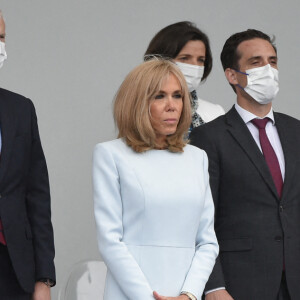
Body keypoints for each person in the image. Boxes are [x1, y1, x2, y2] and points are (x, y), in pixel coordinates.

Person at [93, 59, 218, 300]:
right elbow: (110, 242)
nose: (172, 106)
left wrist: (189, 294)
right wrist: (148, 297)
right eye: (159, 96)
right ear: (137, 103)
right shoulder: (110, 154)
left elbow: (207, 242)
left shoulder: (197, 158)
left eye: (177, 96)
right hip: (130, 294)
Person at [190, 29, 300, 300]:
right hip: (240, 284)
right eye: (256, 62)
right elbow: (200, 219)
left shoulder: (296, 131)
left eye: (272, 61)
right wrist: (213, 285)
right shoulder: (208, 137)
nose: (268, 69)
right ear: (232, 75)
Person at [0, 10, 55, 300]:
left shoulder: (21, 109)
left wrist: (43, 278)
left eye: (1, 37)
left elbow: (37, 196)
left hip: (14, 267)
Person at [145, 21, 225, 136]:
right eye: (184, 58)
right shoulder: (142, 108)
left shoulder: (216, 113)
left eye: (201, 60)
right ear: (160, 59)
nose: (194, 66)